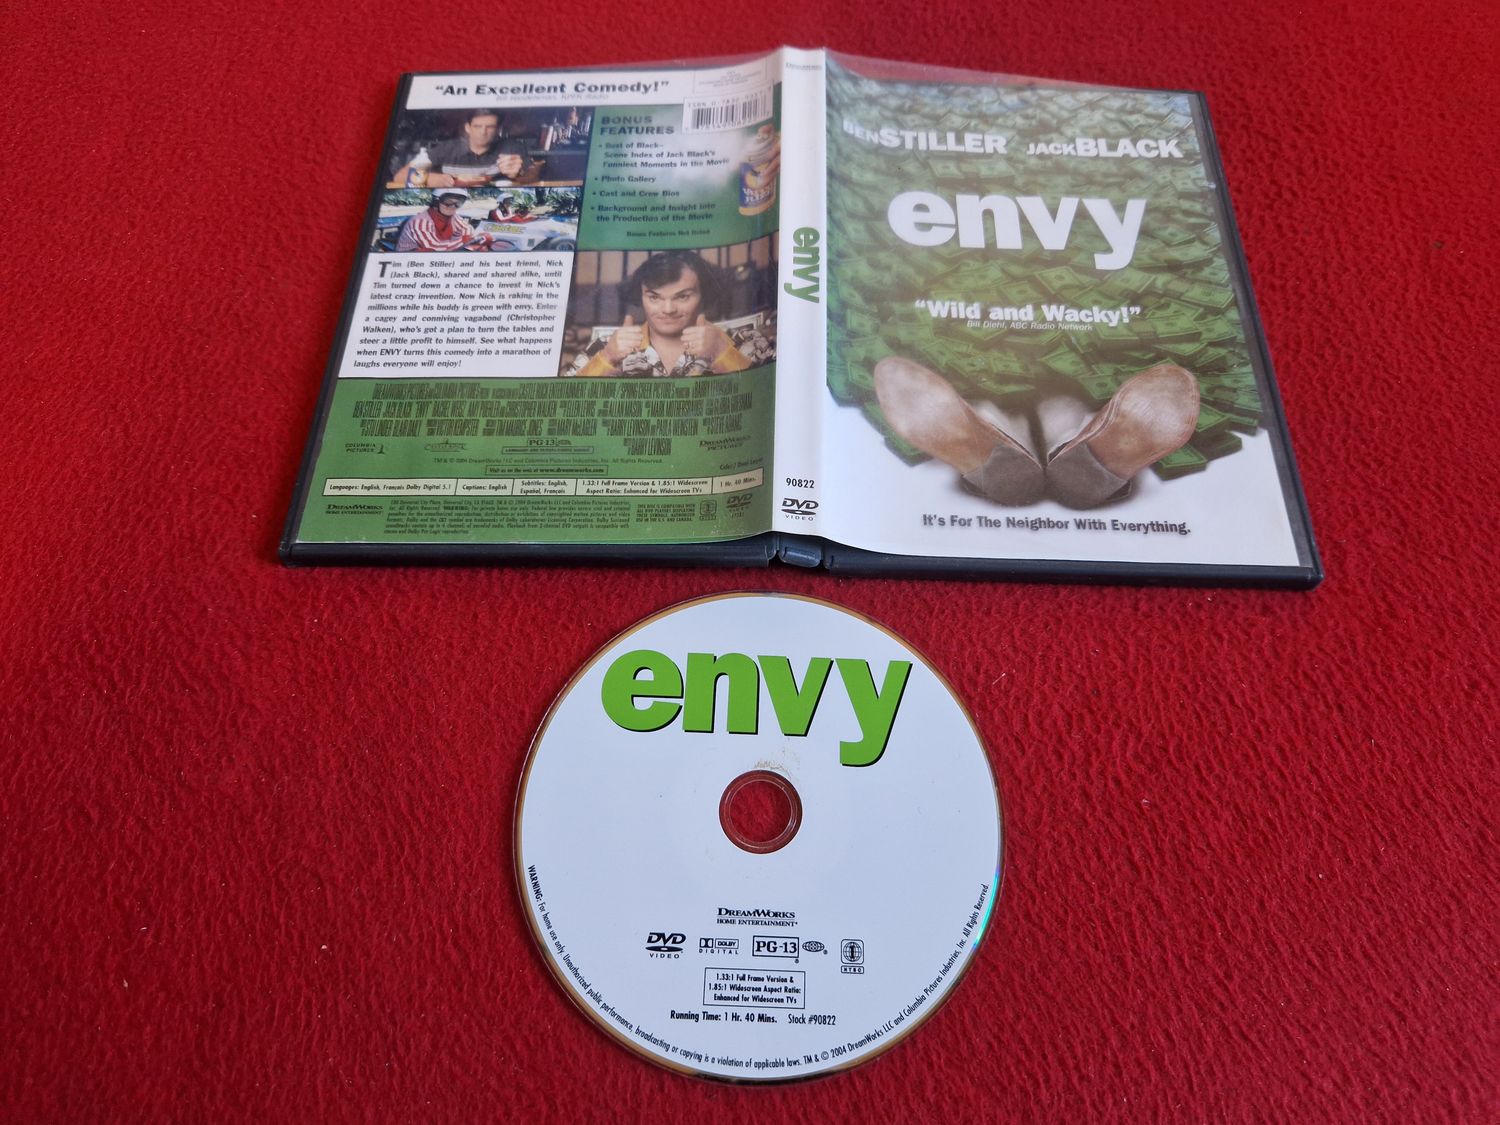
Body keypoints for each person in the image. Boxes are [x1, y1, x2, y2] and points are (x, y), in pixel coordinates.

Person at [872, 356, 1200, 508]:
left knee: (994, 407)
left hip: (993, 374)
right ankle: (1085, 446)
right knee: (1066, 408)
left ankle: (991, 436)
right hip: (1072, 376)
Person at [567, 251, 773, 378]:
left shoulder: (747, 340)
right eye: (654, 297)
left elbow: (771, 405)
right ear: (640, 296)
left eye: (682, 296)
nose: (668, 309)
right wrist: (608, 358)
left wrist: (722, 353)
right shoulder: (605, 346)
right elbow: (567, 404)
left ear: (704, 294)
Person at [394, 108, 534, 187]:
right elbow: (400, 176)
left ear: (498, 130)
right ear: (468, 128)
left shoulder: (511, 147)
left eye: (490, 127)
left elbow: (534, 177)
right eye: (477, 126)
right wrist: (427, 178)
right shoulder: (446, 149)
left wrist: (519, 174)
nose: (483, 132)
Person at [394, 189, 493, 252]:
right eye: (448, 202)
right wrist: (467, 240)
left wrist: (476, 238)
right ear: (436, 201)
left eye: (458, 203)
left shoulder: (453, 217)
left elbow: (467, 228)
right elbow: (434, 247)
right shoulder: (420, 221)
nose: (453, 206)